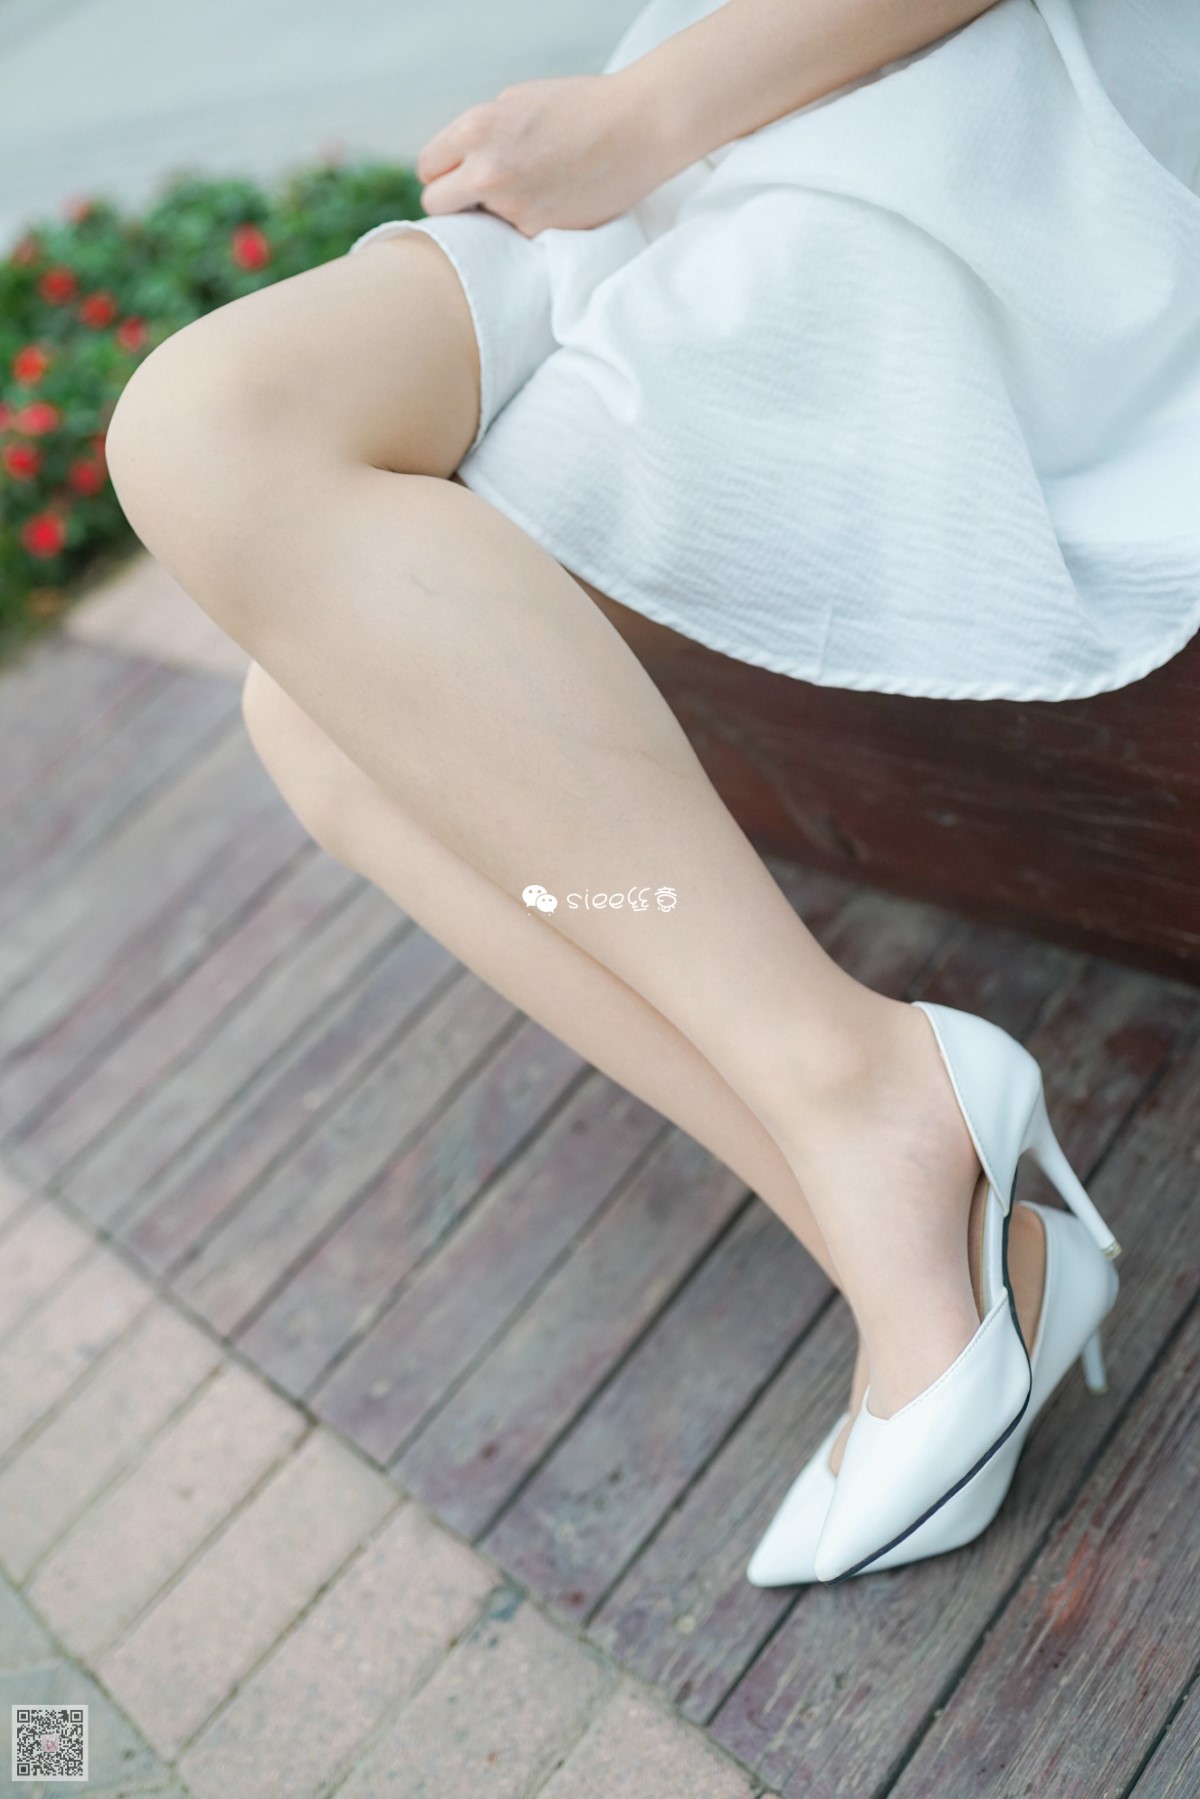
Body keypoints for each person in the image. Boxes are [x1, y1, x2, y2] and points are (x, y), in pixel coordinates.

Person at [103, 0, 1199, 1581]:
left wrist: (656, 112)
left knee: (219, 447)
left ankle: (876, 1108)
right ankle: (926, 1228)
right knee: (313, 708)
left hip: (970, 116)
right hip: (727, 112)